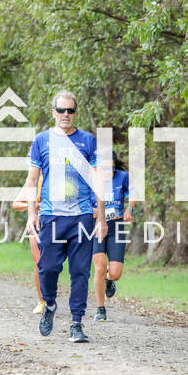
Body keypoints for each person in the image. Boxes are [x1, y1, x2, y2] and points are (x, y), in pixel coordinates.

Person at [25, 90, 107, 343]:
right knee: (47, 268)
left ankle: (76, 323)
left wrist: (101, 218)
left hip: (82, 216)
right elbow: (32, 180)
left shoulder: (87, 140)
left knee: (80, 271)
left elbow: (98, 180)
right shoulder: (41, 140)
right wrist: (31, 213)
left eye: (70, 110)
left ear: (75, 113)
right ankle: (49, 304)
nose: (66, 114)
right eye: (61, 110)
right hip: (51, 215)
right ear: (54, 112)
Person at [91, 151, 135, 322]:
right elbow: (84, 202)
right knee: (100, 268)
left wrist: (129, 209)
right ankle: (100, 309)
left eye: (110, 167)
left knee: (115, 273)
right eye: (103, 167)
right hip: (97, 226)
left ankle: (109, 280)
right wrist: (96, 212)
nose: (106, 171)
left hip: (116, 226)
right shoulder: (93, 180)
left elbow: (133, 194)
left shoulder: (122, 177)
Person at [12, 173, 44, 314]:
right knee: (39, 263)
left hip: (56, 225)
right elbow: (16, 204)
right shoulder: (32, 181)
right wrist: (31, 205)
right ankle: (42, 301)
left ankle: (50, 295)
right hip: (36, 225)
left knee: (53, 265)